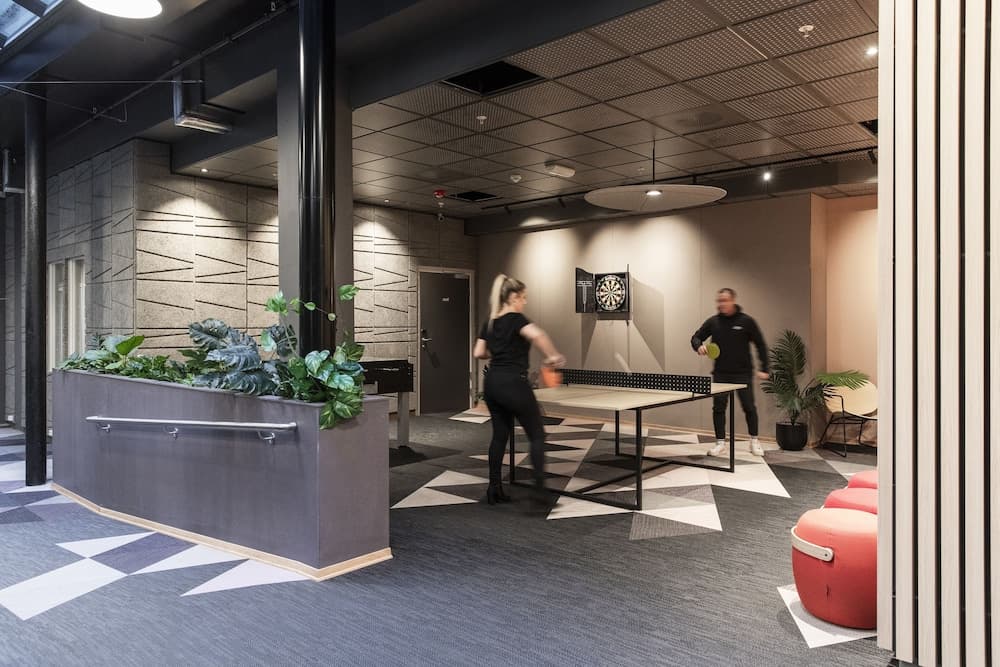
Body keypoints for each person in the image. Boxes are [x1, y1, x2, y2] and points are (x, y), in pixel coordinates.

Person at [473, 274, 565, 505]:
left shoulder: (490, 321)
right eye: (523, 297)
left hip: (492, 383)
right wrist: (553, 356)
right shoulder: (516, 319)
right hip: (513, 382)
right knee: (537, 434)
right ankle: (539, 491)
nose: (525, 302)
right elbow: (538, 335)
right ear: (513, 297)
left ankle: (494, 488)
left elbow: (479, 352)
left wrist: (499, 351)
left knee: (499, 436)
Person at [690, 288, 769, 457]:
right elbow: (696, 337)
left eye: (725, 300)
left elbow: (760, 344)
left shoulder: (746, 321)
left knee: (749, 407)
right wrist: (699, 346)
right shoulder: (713, 322)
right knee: (719, 408)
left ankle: (754, 441)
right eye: (719, 301)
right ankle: (720, 443)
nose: (721, 304)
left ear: (733, 301)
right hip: (721, 374)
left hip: (743, 373)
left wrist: (764, 368)